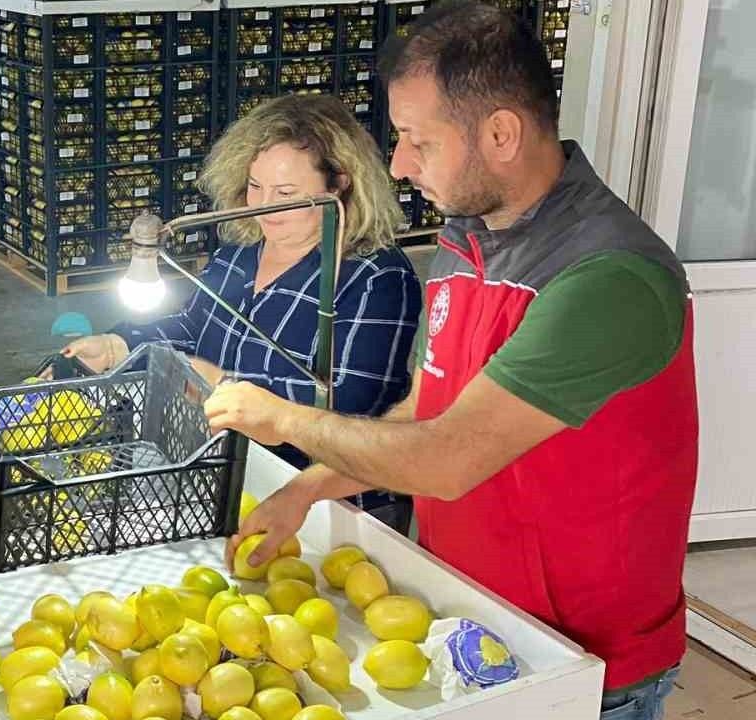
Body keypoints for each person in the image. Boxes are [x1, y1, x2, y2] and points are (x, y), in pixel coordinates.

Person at [206, 3, 696, 718]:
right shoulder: (468, 239)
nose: (400, 166)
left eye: (417, 141)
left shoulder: (607, 278)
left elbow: (445, 457)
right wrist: (307, 490)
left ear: (500, 133)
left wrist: (281, 416)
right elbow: (426, 410)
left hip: (581, 661)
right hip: (467, 617)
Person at [55, 93, 423, 533]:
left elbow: (351, 402)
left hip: (329, 503)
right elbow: (194, 325)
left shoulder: (377, 276)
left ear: (338, 185)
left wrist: (223, 384)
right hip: (230, 473)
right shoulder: (241, 251)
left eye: (285, 193)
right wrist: (119, 344)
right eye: (255, 186)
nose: (263, 205)